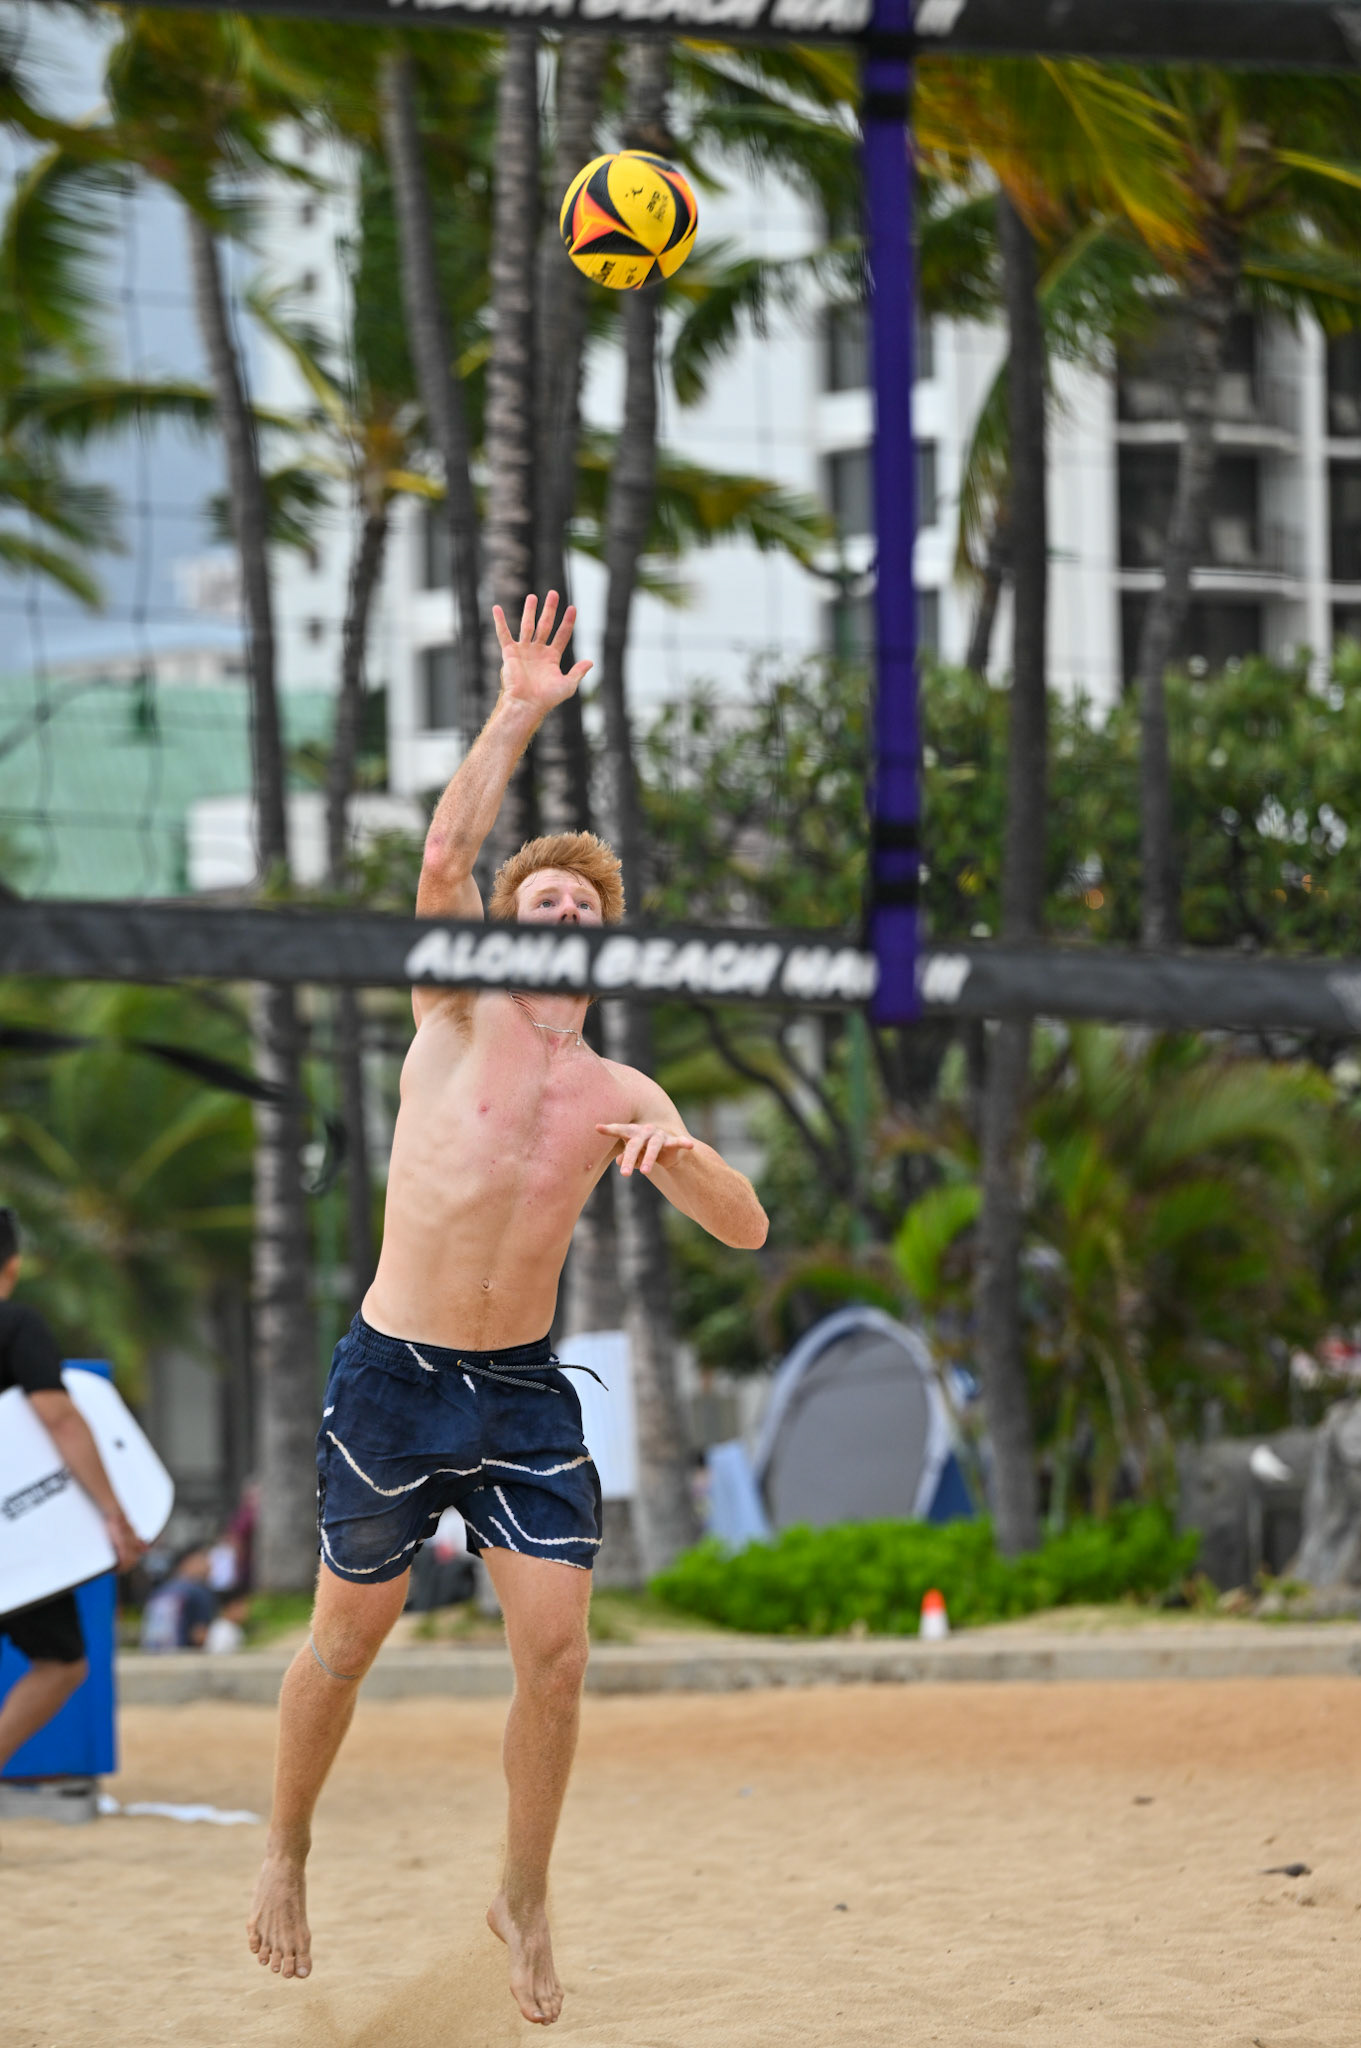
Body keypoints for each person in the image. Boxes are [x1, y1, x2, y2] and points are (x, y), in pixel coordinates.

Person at [247, 592, 769, 2024]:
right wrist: (519, 705)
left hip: (523, 1390)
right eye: (541, 901)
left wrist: (688, 1166)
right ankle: (286, 1845)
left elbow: (748, 1228)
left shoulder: (621, 1095)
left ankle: (522, 1894)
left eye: (581, 909)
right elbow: (445, 851)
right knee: (346, 1643)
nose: (556, 915)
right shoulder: (454, 1012)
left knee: (557, 1653)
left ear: (601, 948)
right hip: (392, 1375)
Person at [0, 1208, 144, 1774]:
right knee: (60, 1663)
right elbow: (57, 1417)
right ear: (12, 1266)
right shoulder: (15, 1325)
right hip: (12, 1537)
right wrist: (112, 1512)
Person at [139, 1544, 217, 1652]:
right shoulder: (198, 1591)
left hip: (151, 1656)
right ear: (188, 1561)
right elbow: (199, 1635)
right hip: (181, 1659)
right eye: (204, 1560)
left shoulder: (159, 1591)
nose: (209, 1566)